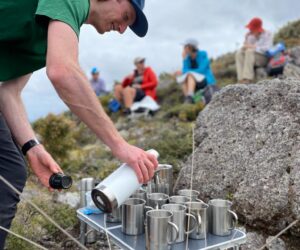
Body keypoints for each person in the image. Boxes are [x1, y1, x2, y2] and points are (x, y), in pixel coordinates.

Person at [0, 0, 158, 248]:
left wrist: (33, 148)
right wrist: (120, 146)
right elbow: (62, 72)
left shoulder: (53, 29)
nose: (123, 29)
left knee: (10, 169)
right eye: (126, 16)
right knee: (7, 171)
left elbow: (8, 92)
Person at [175, 39, 216, 104]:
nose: (183, 49)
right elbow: (184, 70)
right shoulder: (187, 58)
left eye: (185, 46)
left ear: (190, 47)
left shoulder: (203, 55)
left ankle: (190, 97)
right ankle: (188, 99)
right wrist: (184, 59)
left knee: (190, 75)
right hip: (195, 82)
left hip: (205, 80)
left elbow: (201, 70)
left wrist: (187, 72)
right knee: (184, 79)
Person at [235, 17, 273, 83]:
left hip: (264, 58)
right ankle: (240, 79)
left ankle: (247, 78)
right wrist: (246, 38)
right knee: (239, 53)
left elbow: (267, 48)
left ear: (257, 29)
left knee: (249, 51)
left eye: (251, 29)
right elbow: (246, 47)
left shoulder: (268, 34)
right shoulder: (250, 36)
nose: (250, 30)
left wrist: (252, 47)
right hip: (252, 58)